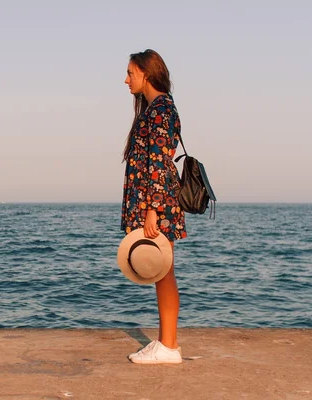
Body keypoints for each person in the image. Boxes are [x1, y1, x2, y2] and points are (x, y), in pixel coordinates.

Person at [121, 49, 187, 364]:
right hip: (155, 201)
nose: (126, 79)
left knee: (164, 271)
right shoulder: (154, 109)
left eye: (130, 73)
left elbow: (160, 162)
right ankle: (166, 343)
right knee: (162, 270)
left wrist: (152, 209)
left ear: (146, 73)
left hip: (156, 203)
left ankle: (169, 346)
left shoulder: (161, 110)